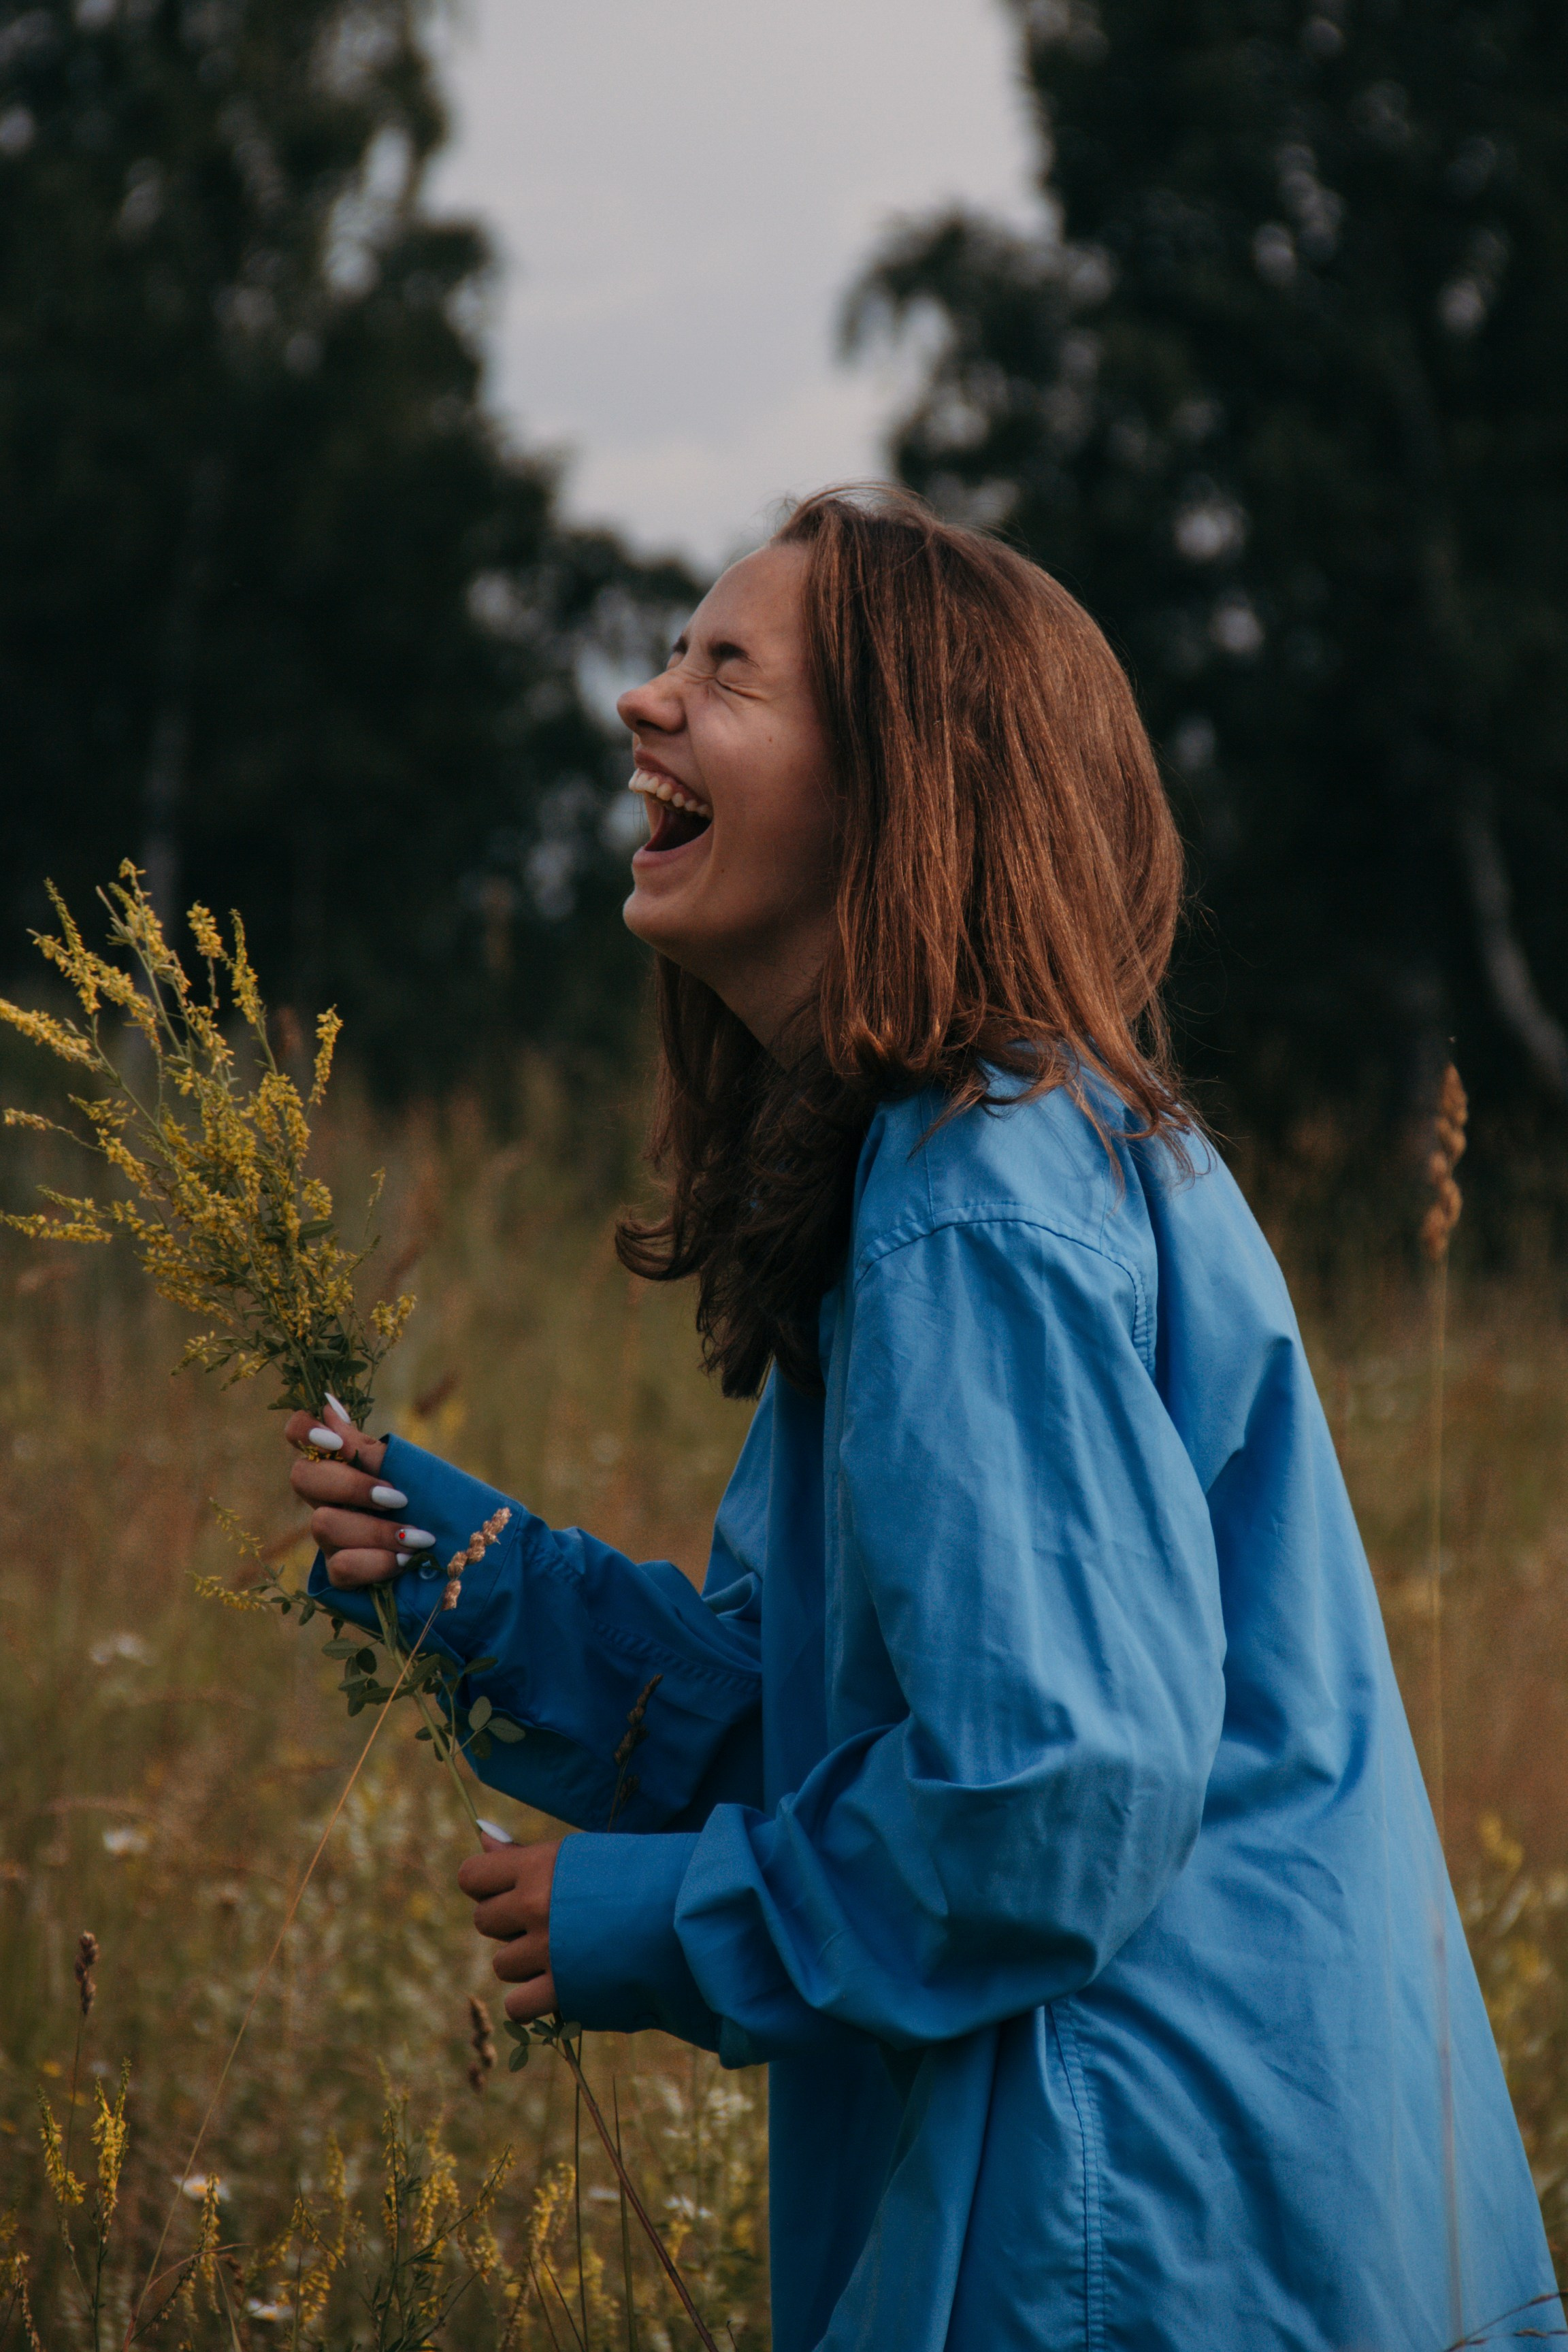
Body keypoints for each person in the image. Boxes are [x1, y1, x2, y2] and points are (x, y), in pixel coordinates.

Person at [285, 488, 1554, 2351]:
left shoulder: (977, 1196)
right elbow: (850, 1728)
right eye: (667, 656)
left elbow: (1056, 1790)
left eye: (726, 672)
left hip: (1131, 2217)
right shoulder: (961, 1172)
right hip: (1189, 2192)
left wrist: (667, 1920)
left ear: (906, 789)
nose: (644, 703)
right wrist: (477, 1581)